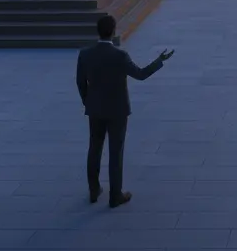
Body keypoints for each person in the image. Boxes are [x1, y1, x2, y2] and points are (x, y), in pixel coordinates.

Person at [75, 14, 174, 208]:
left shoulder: (85, 54)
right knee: (115, 152)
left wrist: (88, 101)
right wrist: (159, 61)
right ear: (113, 31)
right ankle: (115, 195)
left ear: (98, 31)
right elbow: (141, 74)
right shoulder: (120, 56)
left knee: (94, 149)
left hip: (95, 109)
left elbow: (80, 82)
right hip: (117, 111)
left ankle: (94, 190)